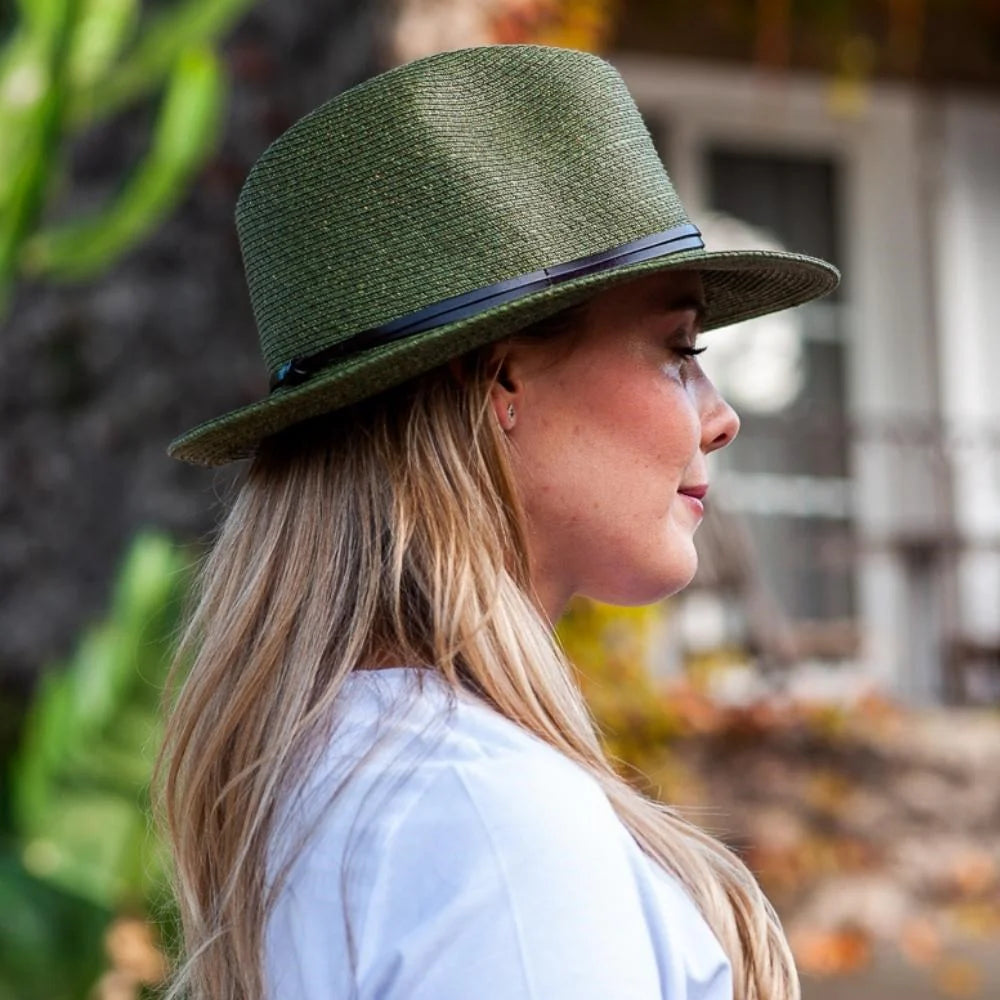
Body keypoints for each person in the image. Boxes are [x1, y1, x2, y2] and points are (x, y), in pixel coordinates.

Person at [156, 43, 839, 1000]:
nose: (721, 417)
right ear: (503, 380)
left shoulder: (342, 776)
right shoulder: (489, 817)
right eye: (678, 350)